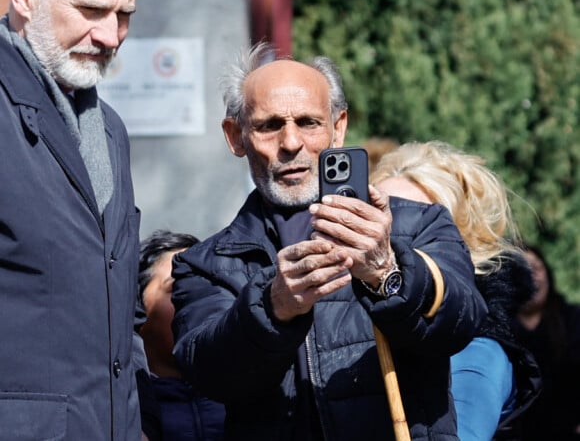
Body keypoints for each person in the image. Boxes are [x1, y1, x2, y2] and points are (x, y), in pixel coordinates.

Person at [171, 43, 488, 440]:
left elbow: (463, 323)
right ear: (236, 137)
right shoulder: (205, 264)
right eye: (269, 125)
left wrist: (389, 272)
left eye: (308, 123)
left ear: (338, 127)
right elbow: (210, 376)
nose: (291, 143)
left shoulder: (416, 223)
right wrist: (273, 307)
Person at [0, 0, 150, 440]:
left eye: (124, 15)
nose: (111, 37)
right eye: (91, 10)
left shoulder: (109, 129)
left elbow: (119, 304)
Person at [371, 141, 541, 440]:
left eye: (414, 224)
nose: (387, 238)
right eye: (377, 216)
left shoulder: (477, 354)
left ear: (458, 247)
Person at [138, 230, 226, 441]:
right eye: (177, 286)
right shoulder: (121, 407)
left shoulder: (249, 395)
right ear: (138, 309)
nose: (197, 300)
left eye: (207, 288)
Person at [515, 245, 580, 441]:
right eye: (522, 271)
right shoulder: (495, 330)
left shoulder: (572, 319)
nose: (532, 277)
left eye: (536, 268)